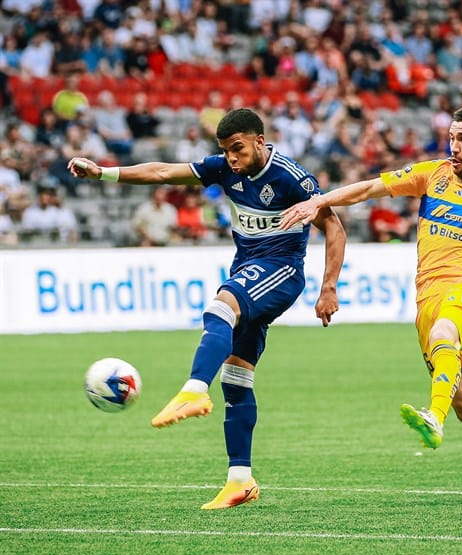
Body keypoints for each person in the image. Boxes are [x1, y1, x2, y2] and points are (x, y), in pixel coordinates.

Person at [281, 105, 462, 501]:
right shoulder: (432, 174)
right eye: (451, 137)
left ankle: (433, 418)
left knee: (445, 333)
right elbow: (370, 188)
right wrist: (317, 201)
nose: (453, 145)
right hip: (426, 297)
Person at [68, 108, 346, 509]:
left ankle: (195, 389)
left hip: (281, 272)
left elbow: (334, 226)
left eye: (237, 149)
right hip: (248, 269)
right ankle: (240, 480)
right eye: (225, 151)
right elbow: (164, 172)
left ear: (259, 141)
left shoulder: (291, 177)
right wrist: (104, 173)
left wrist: (328, 287)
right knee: (236, 379)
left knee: (220, 307)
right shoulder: (223, 169)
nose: (231, 158)